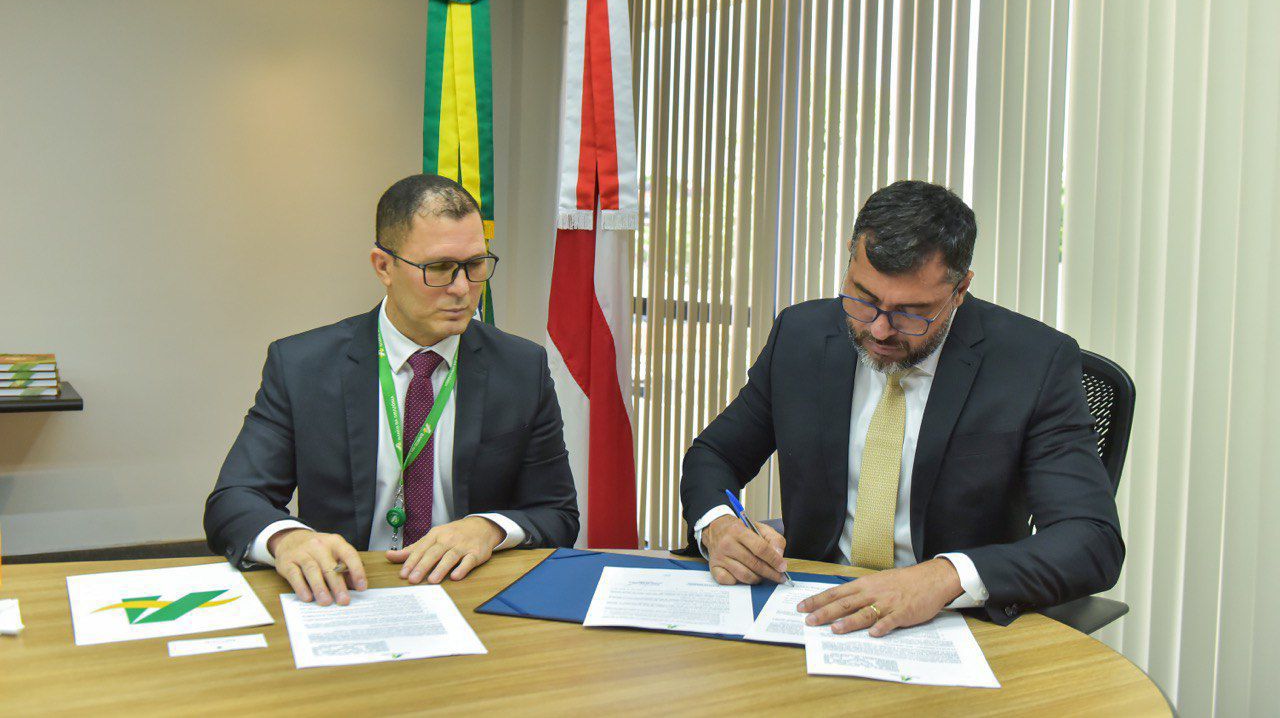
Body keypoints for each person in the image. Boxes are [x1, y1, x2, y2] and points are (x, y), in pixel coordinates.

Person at [681, 180, 1123, 634]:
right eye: (864, 298)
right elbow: (714, 455)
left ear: (960, 289)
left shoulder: (1033, 363)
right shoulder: (802, 335)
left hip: (952, 622)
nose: (879, 330)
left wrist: (946, 577)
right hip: (813, 609)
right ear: (850, 260)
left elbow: (1092, 540)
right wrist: (717, 525)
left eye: (911, 312)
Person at [205, 174, 578, 605]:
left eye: (476, 265)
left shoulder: (521, 368)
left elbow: (557, 514)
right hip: (346, 594)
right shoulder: (303, 366)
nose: (462, 288)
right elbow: (234, 499)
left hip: (470, 595)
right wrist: (287, 539)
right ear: (383, 266)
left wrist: (489, 528)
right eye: (439, 268)